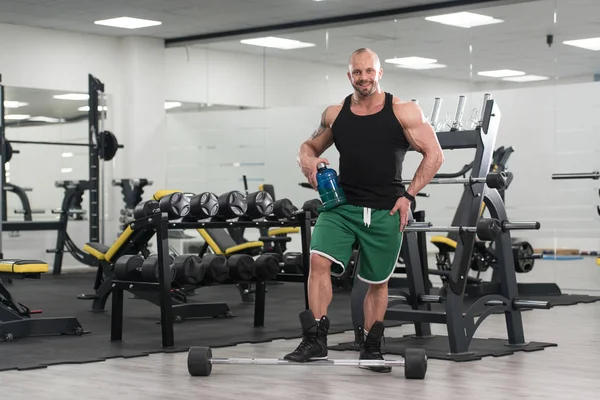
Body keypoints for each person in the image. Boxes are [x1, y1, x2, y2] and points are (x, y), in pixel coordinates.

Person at [284, 48, 444, 372]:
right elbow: (307, 147)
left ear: (379, 73)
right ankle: (315, 338)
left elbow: (435, 155)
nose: (364, 78)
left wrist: (409, 196)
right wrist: (310, 161)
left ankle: (371, 348)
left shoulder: (404, 111)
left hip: (386, 209)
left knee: (378, 282)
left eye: (369, 71)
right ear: (349, 76)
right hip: (341, 206)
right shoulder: (336, 114)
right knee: (317, 260)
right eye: (357, 72)